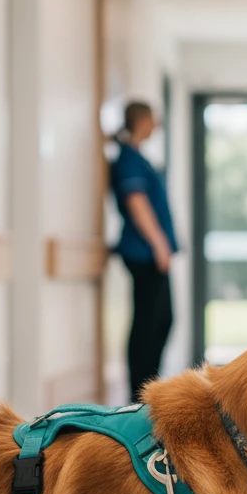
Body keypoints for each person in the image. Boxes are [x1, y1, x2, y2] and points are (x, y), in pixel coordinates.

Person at [109, 100, 179, 402]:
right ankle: (141, 395)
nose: (156, 125)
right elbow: (137, 203)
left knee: (161, 320)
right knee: (150, 323)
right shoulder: (128, 159)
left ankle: (147, 390)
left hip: (148, 253)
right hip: (143, 253)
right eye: (152, 119)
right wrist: (159, 244)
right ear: (141, 121)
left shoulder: (137, 157)